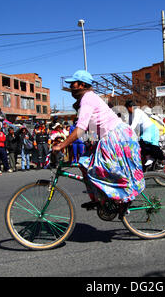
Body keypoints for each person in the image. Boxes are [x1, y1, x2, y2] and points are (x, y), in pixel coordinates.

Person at [52, 70, 144, 211]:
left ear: (82, 85)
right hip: (111, 136)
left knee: (103, 170)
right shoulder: (89, 98)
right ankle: (99, 199)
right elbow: (92, 128)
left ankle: (121, 198)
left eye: (73, 84)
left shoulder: (87, 98)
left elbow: (80, 128)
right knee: (84, 163)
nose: (71, 87)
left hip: (115, 137)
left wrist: (61, 145)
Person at [125, 100, 164, 167]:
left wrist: (126, 132)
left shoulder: (137, 111)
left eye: (127, 109)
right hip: (146, 131)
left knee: (144, 143)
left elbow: (133, 125)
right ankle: (150, 159)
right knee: (141, 146)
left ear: (130, 107)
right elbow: (130, 125)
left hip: (151, 129)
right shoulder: (132, 114)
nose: (127, 111)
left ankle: (159, 158)